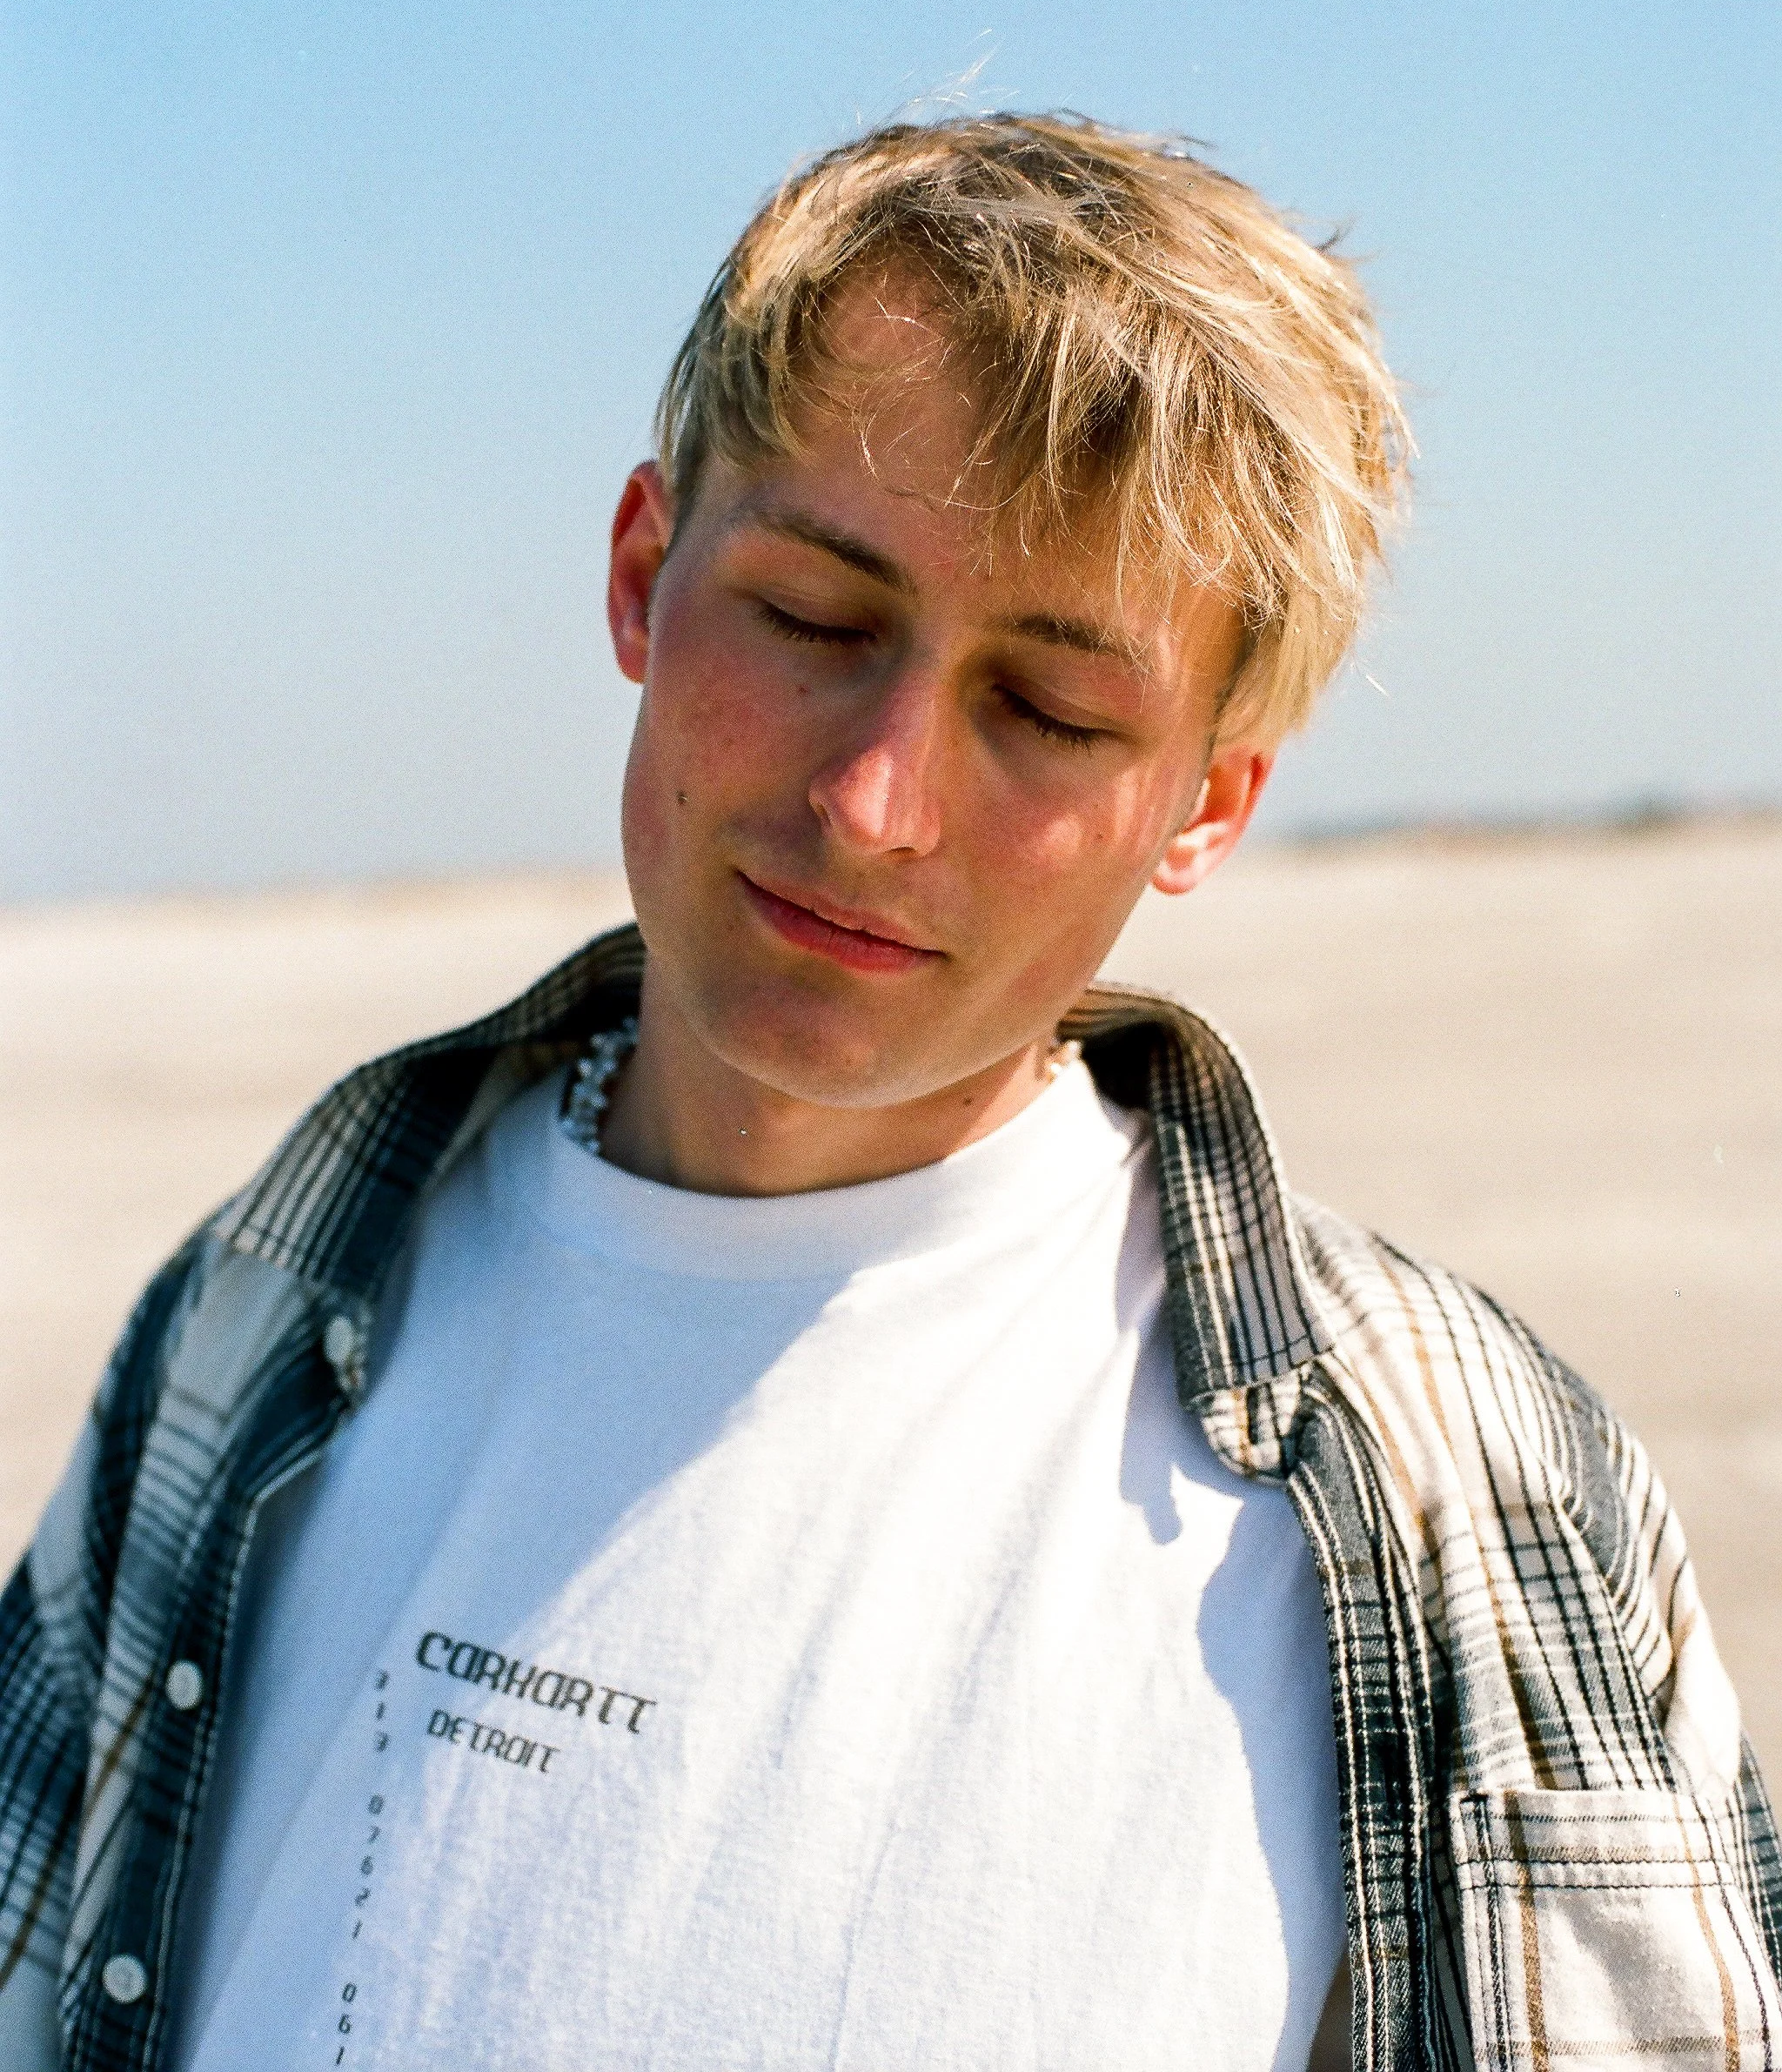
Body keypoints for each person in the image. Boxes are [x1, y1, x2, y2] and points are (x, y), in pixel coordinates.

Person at [2, 116, 1775, 2072]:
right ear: (642, 567)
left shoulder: (1466, 1494)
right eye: (814, 621)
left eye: (1051, 710)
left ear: (1203, 800)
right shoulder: (257, 1313)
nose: (874, 804)